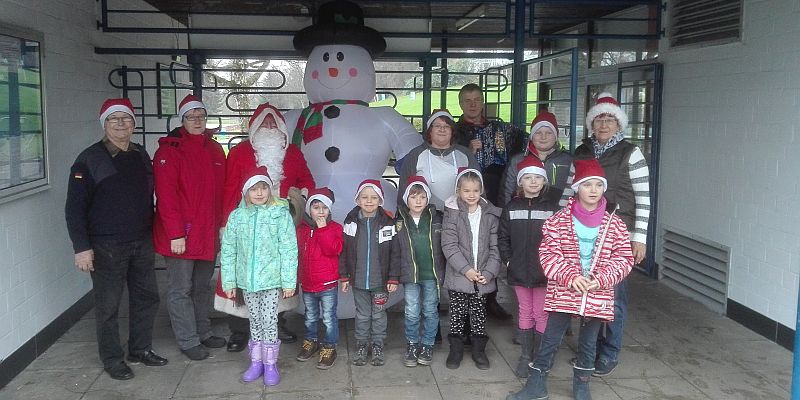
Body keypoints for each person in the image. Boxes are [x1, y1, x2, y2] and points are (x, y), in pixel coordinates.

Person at [507, 158, 634, 400]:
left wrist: (602, 279)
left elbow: (624, 258)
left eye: (599, 185)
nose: (593, 190)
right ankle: (537, 384)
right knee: (551, 338)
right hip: (565, 290)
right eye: (588, 185)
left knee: (588, 343)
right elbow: (548, 253)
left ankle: (582, 385)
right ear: (577, 188)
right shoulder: (558, 221)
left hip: (597, 292)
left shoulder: (614, 224)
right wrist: (569, 276)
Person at [65, 98, 168, 380]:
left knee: (147, 298)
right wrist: (82, 248)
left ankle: (140, 348)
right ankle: (112, 359)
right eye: (114, 119)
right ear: (104, 124)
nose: (121, 123)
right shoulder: (89, 159)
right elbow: (74, 209)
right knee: (109, 305)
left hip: (141, 240)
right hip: (105, 245)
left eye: (126, 119)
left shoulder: (139, 154)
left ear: (134, 124)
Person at [562, 92, 651, 376]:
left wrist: (640, 237)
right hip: (583, 232)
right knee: (587, 293)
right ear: (591, 123)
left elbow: (644, 197)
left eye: (609, 119)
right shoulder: (582, 150)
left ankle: (610, 352)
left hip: (618, 235)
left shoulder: (630, 152)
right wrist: (561, 226)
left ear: (618, 123)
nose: (603, 124)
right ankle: (591, 347)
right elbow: (568, 191)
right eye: (599, 118)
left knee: (613, 296)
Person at [219, 103, 315, 352]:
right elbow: (230, 188)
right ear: (255, 126)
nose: (270, 127)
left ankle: (277, 324)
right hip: (246, 225)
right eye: (265, 122)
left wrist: (298, 196)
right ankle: (240, 331)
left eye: (274, 123)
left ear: (282, 126)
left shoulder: (292, 152)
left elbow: (307, 180)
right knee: (244, 276)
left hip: (279, 226)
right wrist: (226, 223)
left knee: (276, 276)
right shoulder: (240, 152)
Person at [153, 94, 227, 360]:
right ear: (181, 120)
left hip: (207, 233)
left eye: (201, 116)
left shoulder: (215, 149)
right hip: (181, 235)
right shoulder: (169, 151)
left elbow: (222, 192)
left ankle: (203, 332)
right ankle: (188, 339)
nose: (197, 121)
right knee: (180, 289)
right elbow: (166, 195)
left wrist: (222, 225)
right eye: (191, 116)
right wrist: (175, 233)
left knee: (201, 286)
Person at [220, 167, 298, 386]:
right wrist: (230, 281)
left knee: (270, 320)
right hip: (248, 281)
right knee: (254, 320)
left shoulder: (279, 214)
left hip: (272, 281)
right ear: (246, 192)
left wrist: (288, 280)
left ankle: (271, 364)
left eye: (264, 188)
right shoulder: (237, 216)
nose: (260, 193)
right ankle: (256, 362)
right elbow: (229, 250)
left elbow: (289, 248)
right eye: (254, 189)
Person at [454, 83, 525, 320]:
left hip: (493, 193)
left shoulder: (500, 128)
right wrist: (466, 150)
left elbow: (520, 152)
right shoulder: (454, 131)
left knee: (490, 247)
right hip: (465, 196)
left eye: (476, 99)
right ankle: (464, 300)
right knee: (466, 247)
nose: (472, 104)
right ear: (461, 104)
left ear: (482, 101)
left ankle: (490, 299)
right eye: (467, 100)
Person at [498, 152, 561, 378]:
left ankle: (541, 356)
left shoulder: (552, 208)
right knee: (525, 311)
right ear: (520, 182)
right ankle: (526, 355)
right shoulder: (511, 208)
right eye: (528, 178)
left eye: (537, 177)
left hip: (544, 272)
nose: (533, 181)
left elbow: (559, 240)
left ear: (544, 181)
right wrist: (508, 260)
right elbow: (502, 238)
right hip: (518, 270)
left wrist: (553, 266)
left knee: (542, 313)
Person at [441, 168, 502, 370]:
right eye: (466, 190)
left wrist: (489, 273)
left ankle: (478, 350)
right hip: (460, 276)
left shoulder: (490, 215)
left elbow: (495, 248)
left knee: (478, 315)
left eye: (476, 190)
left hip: (482, 277)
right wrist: (466, 269)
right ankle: (456, 349)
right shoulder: (452, 214)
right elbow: (449, 246)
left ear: (481, 190)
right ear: (458, 191)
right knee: (457, 315)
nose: (471, 195)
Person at [340, 180, 398, 367]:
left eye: (374, 198)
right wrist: (344, 276)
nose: (369, 201)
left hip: (380, 281)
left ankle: (378, 345)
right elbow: (344, 251)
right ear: (357, 200)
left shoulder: (388, 223)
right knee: (363, 315)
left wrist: (393, 277)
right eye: (364, 197)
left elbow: (395, 252)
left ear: (380, 200)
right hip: (358, 281)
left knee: (379, 315)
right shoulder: (350, 223)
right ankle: (362, 345)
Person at [389, 176, 445, 367]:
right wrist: (394, 276)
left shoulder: (438, 218)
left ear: (428, 198)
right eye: (413, 197)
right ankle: (412, 344)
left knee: (430, 311)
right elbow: (395, 251)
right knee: (412, 312)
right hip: (410, 276)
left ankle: (427, 344)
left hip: (432, 275)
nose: (418, 201)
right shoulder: (400, 221)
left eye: (422, 197)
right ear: (407, 199)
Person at [295, 187, 343, 370]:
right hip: (308, 283)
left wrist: (323, 230)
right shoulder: (301, 229)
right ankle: (311, 341)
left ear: (329, 210)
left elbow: (334, 250)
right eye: (316, 207)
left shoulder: (335, 228)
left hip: (327, 283)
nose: (320, 211)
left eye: (324, 208)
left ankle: (330, 347)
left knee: (329, 318)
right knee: (310, 316)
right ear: (309, 209)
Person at [397, 109, 477, 211]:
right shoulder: (415, 155)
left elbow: (478, 186)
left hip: (460, 217)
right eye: (437, 126)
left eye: (447, 126)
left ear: (452, 131)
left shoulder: (465, 154)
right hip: (426, 219)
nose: (442, 129)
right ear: (430, 130)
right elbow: (404, 189)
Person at [498, 111, 573, 207]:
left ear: (556, 136)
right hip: (523, 217)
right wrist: (507, 216)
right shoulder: (517, 160)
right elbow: (506, 194)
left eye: (549, 133)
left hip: (560, 218)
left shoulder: (568, 160)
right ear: (531, 136)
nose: (543, 137)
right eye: (538, 133)